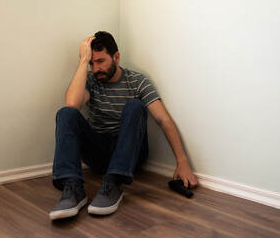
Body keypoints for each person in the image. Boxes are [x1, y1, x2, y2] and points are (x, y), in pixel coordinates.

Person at [49, 31, 198, 220]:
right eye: (91, 63)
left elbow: (164, 120)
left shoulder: (137, 81)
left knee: (135, 105)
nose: (96, 69)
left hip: (131, 153)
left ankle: (113, 184)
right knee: (65, 113)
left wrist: (182, 162)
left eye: (101, 61)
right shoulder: (90, 81)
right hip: (99, 152)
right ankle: (73, 189)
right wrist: (82, 61)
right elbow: (72, 104)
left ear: (116, 57)